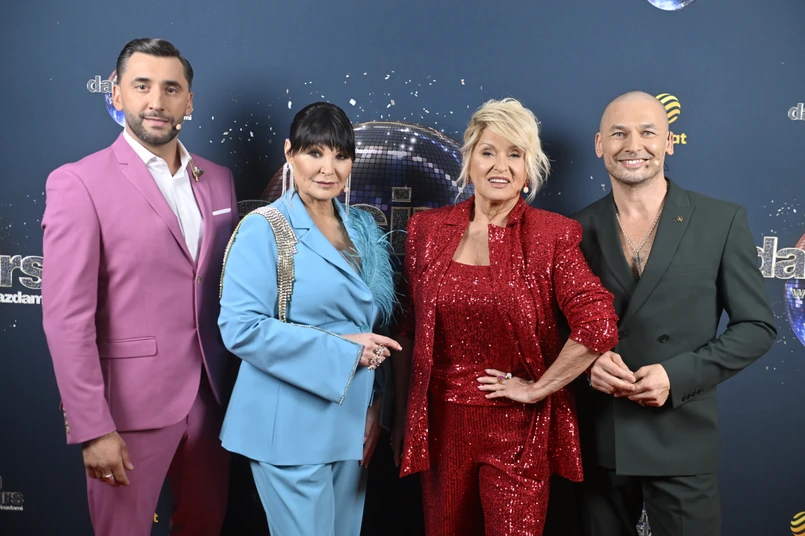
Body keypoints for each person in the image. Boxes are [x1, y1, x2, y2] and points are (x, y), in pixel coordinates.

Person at [391, 98, 619, 536]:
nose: (501, 165)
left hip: (518, 431)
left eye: (515, 154)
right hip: (440, 429)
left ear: (528, 169)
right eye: (488, 151)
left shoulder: (552, 234)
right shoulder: (426, 231)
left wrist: (538, 388)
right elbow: (408, 330)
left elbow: (598, 324)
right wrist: (403, 418)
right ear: (469, 162)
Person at [41, 38, 237, 535]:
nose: (157, 101)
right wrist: (92, 426)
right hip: (126, 409)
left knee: (205, 526)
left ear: (188, 101)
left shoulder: (217, 179)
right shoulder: (78, 182)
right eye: (142, 86)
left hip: (214, 400)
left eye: (171, 89)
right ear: (116, 94)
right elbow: (66, 318)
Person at [573, 91, 776, 536]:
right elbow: (549, 329)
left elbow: (756, 327)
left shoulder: (721, 221)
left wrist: (676, 375)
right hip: (598, 437)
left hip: (682, 434)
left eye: (647, 132)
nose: (633, 145)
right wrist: (586, 364)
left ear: (669, 142)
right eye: (619, 133)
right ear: (599, 145)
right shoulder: (572, 229)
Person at [218, 102, 401, 536]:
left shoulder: (360, 227)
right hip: (288, 425)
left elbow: (372, 330)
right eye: (314, 153)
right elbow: (241, 329)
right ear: (290, 153)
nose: (328, 169)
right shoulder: (264, 227)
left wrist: (375, 406)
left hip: (349, 423)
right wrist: (344, 351)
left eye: (340, 155)